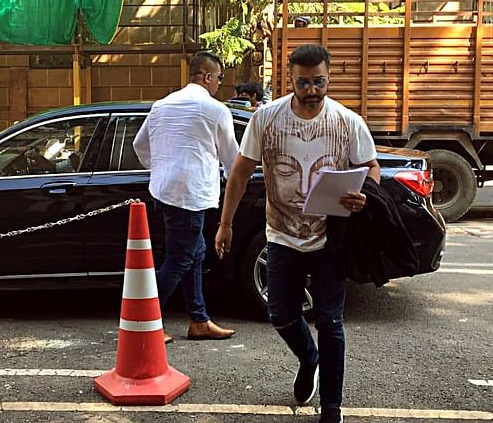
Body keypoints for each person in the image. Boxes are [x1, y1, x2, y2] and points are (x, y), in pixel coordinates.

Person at [214, 44, 380, 423]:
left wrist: (364, 195)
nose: (311, 90)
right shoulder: (267, 119)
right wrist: (226, 223)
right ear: (289, 80)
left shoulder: (347, 121)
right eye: (303, 83)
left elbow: (370, 167)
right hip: (281, 235)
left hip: (330, 237)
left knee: (330, 322)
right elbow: (239, 172)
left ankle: (332, 409)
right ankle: (309, 359)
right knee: (281, 314)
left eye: (318, 82)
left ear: (328, 77)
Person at [133, 51, 239, 343]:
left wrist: (162, 168)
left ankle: (199, 319)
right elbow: (233, 160)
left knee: (195, 253)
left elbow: (139, 145)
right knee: (180, 259)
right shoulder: (215, 109)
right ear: (207, 77)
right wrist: (235, 181)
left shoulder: (161, 105)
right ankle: (142, 321)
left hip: (165, 191)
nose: (219, 84)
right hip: (191, 193)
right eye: (219, 78)